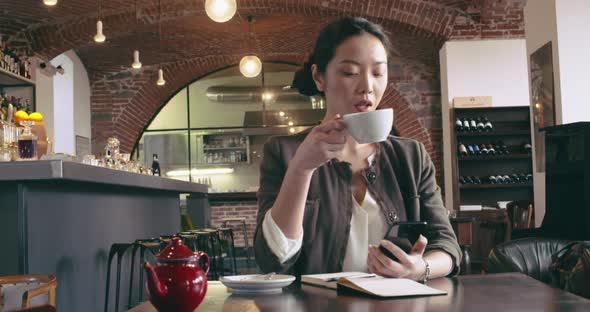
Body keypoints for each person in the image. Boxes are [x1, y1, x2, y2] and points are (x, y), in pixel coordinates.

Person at [254, 17, 461, 281]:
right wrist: (301, 168)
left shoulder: (411, 157)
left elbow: (447, 246)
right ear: (319, 77)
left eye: (378, 72)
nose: (367, 86)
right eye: (350, 72)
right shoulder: (283, 153)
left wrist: (419, 268)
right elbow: (272, 259)